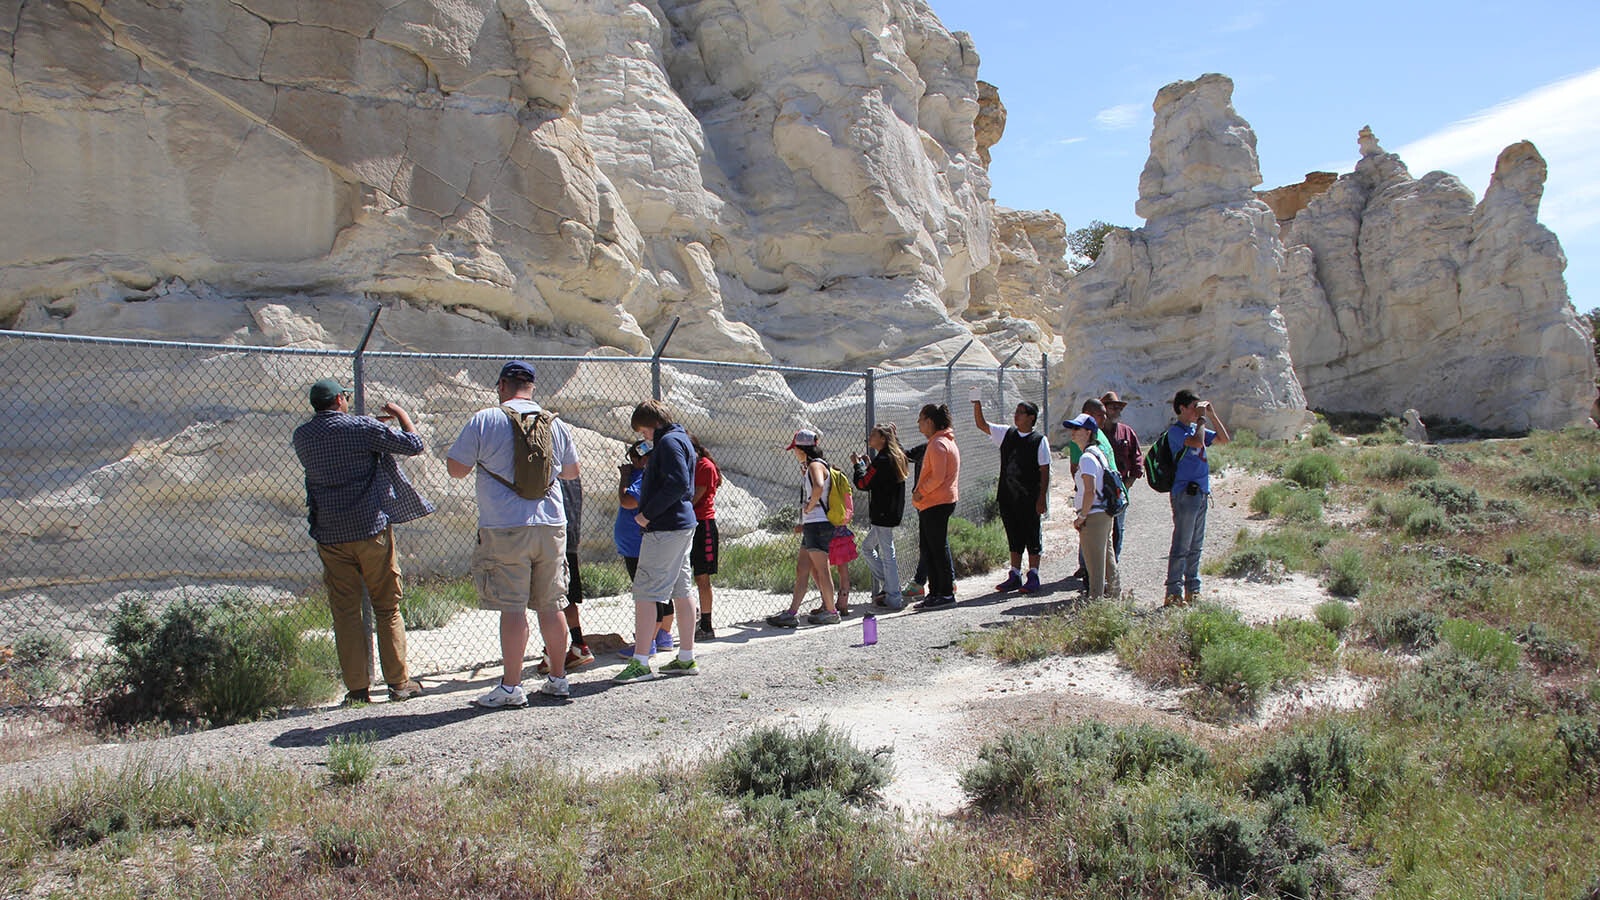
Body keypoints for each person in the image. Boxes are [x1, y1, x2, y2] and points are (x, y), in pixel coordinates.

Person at [446, 361, 581, 707]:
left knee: (513, 607)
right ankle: (558, 679)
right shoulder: (555, 424)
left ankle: (510, 687)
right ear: (532, 388)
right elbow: (571, 472)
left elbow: (456, 469)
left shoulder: (486, 419)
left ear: (502, 386)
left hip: (504, 526)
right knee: (551, 606)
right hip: (551, 524)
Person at [292, 378, 432, 705]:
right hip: (371, 530)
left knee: (346, 612)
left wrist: (371, 429)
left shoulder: (303, 436)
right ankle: (399, 683)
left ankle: (357, 690)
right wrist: (398, 414)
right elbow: (414, 444)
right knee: (386, 607)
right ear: (341, 399)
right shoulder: (362, 428)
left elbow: (335, 447)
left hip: (330, 533)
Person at [614, 400, 700, 682]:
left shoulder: (668, 443)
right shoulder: (682, 439)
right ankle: (685, 657)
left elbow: (677, 484)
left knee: (646, 592)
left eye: (642, 431)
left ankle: (640, 662)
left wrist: (646, 514)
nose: (643, 438)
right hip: (681, 524)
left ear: (650, 424)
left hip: (665, 527)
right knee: (681, 588)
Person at [971, 392, 1050, 594]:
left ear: (1031, 417)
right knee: (1013, 535)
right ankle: (1014, 574)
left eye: (1021, 412)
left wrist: (1042, 498)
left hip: (1029, 498)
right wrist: (977, 402)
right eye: (1016, 412)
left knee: (1032, 535)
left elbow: (1044, 471)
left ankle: (1033, 574)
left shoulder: (1039, 441)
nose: (1016, 415)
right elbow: (982, 425)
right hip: (1008, 496)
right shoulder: (1007, 433)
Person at [765, 429, 842, 627]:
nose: (794, 453)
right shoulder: (815, 465)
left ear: (802, 449)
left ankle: (832, 612)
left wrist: (809, 505)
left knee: (821, 570)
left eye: (796, 449)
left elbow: (817, 486)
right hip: (814, 525)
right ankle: (792, 612)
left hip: (817, 524)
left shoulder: (815, 465)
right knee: (803, 569)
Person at [1164, 389, 1232, 606]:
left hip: (1201, 492)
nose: (1196, 411)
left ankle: (1192, 589)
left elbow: (1224, 439)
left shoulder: (1197, 428)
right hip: (1185, 493)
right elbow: (1196, 443)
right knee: (1182, 544)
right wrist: (1202, 419)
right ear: (1182, 408)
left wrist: (1211, 415)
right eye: (1193, 407)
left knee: (1196, 544)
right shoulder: (1176, 432)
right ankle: (1173, 591)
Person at [614, 439, 676, 660]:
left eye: (634, 458)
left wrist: (624, 477)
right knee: (659, 591)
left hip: (637, 546)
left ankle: (647, 642)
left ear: (643, 458)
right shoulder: (652, 476)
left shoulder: (642, 478)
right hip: (637, 543)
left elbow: (627, 501)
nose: (631, 463)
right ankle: (663, 637)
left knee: (647, 595)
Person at [537, 475, 597, 676]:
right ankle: (578, 644)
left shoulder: (548, 472)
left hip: (552, 539)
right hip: (569, 539)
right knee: (568, 596)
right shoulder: (572, 474)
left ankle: (551, 653)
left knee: (548, 599)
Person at [852, 423, 909, 610]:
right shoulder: (893, 457)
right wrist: (869, 466)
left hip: (883, 514)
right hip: (889, 513)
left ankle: (893, 597)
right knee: (867, 548)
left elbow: (863, 483)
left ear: (883, 439)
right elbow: (879, 480)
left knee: (888, 554)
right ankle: (890, 585)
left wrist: (858, 466)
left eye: (873, 435)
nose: (869, 437)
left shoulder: (883, 460)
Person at [1063, 413, 1118, 601]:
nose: (1073, 432)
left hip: (1093, 516)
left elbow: (1089, 491)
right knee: (1107, 560)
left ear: (1088, 432)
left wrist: (1082, 516)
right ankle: (1115, 597)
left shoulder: (1087, 458)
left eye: (1077, 429)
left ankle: (1096, 603)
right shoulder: (1098, 453)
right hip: (1103, 513)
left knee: (1094, 565)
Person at [912, 404, 960, 608]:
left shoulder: (938, 444)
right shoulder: (942, 441)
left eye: (921, 420)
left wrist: (921, 491)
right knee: (930, 548)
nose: (919, 424)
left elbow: (938, 476)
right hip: (934, 503)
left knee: (936, 549)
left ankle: (946, 593)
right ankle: (935, 593)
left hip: (935, 502)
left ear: (930, 421)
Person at [1099, 391, 1143, 560]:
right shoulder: (1096, 433)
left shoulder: (1127, 432)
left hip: (1121, 487)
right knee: (1095, 524)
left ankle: (1113, 560)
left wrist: (1131, 479)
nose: (1116, 411)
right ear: (1104, 410)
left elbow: (1137, 456)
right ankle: (1087, 564)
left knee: (1118, 525)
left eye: (1118, 407)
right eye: (1113, 407)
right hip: (1099, 486)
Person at [690, 435, 722, 640]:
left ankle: (707, 625)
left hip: (703, 524)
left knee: (702, 577)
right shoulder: (691, 466)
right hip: (690, 523)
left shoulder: (704, 466)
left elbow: (697, 496)